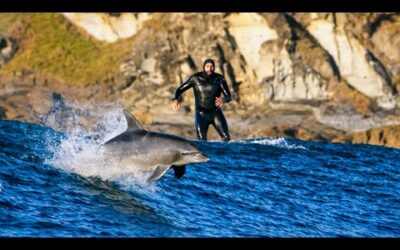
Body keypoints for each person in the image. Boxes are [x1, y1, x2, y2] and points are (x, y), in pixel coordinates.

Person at [172, 58, 232, 141]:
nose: (210, 69)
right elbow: (180, 89)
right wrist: (175, 99)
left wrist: (224, 99)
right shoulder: (195, 78)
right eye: (207, 66)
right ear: (204, 67)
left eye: (212, 67)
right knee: (202, 140)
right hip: (201, 115)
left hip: (216, 113)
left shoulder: (220, 79)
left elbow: (229, 96)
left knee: (227, 138)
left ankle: (227, 154)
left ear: (214, 67)